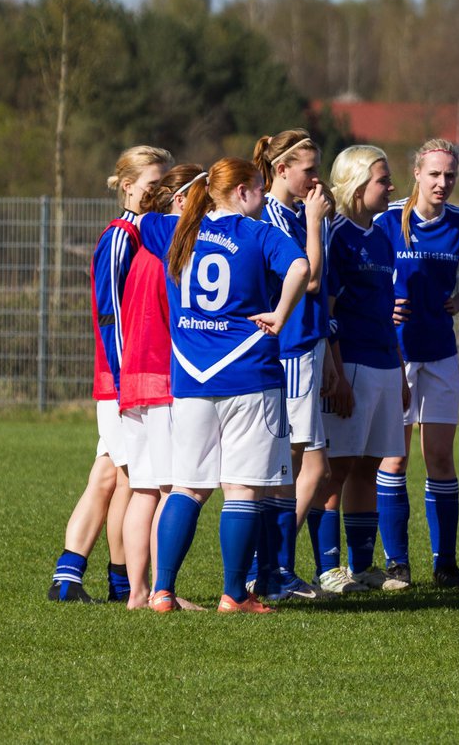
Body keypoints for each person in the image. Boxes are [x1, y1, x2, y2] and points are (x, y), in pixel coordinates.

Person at [141, 157, 309, 613]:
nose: (263, 194)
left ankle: (161, 591)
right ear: (240, 191)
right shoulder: (258, 234)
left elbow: (140, 218)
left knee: (188, 488)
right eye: (258, 186)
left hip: (191, 379)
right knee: (242, 488)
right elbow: (300, 269)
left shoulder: (178, 231)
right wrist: (280, 315)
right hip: (249, 373)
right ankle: (234, 594)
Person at [49, 145, 172, 603]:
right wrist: (123, 381)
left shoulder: (149, 231)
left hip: (125, 380)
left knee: (107, 476)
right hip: (121, 381)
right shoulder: (123, 234)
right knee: (128, 479)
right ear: (128, 186)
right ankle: (124, 584)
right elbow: (110, 314)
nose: (159, 192)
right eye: (153, 184)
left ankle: (69, 577)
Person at [373, 138, 459, 587]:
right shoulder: (387, 219)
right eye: (435, 174)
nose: (442, 183)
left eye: (450, 176)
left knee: (441, 458)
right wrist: (381, 308)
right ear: (417, 174)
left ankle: (445, 564)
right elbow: (362, 272)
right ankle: (397, 563)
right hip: (396, 354)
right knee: (394, 458)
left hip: (441, 352)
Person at [319, 145, 411, 594]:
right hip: (350, 363)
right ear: (356, 186)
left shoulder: (380, 235)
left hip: (383, 363)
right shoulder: (335, 234)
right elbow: (328, 311)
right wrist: (334, 372)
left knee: (370, 466)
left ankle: (363, 566)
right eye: (382, 179)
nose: (391, 187)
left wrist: (399, 369)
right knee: (336, 468)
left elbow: (382, 309)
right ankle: (328, 568)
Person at [253, 129, 336, 600]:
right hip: (287, 349)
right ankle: (273, 567)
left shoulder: (294, 212)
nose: (315, 179)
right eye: (307, 169)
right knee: (300, 467)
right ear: (281, 170)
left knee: (305, 466)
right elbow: (309, 277)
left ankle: (273, 568)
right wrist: (313, 224)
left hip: (307, 344)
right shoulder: (272, 215)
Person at [119, 163, 203, 610]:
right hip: (164, 380)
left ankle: (137, 592)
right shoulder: (173, 245)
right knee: (170, 489)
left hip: (134, 380)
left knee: (145, 489)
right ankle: (157, 593)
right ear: (181, 200)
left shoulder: (145, 248)